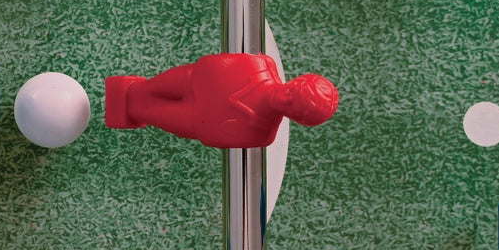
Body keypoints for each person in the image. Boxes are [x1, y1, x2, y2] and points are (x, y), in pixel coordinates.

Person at [105, 53, 336, 148]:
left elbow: (213, 136)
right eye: (293, 90)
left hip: (195, 119)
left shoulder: (262, 133)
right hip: (192, 80)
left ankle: (129, 111)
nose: (285, 96)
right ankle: (129, 91)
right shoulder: (262, 65)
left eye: (293, 105)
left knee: (146, 111)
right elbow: (211, 64)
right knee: (148, 88)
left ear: (296, 118)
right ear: (296, 80)